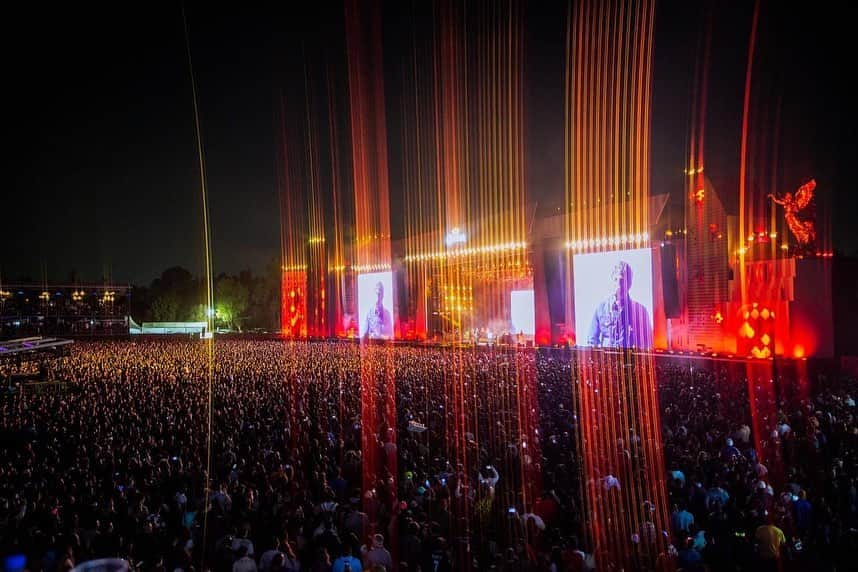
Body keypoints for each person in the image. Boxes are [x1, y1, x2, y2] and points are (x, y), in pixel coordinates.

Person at [586, 260, 652, 349]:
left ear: (629, 284)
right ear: (611, 280)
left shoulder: (640, 312)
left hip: (630, 361)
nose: (618, 285)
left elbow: (648, 342)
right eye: (615, 280)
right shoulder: (601, 309)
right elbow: (592, 340)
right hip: (606, 361)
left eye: (621, 281)